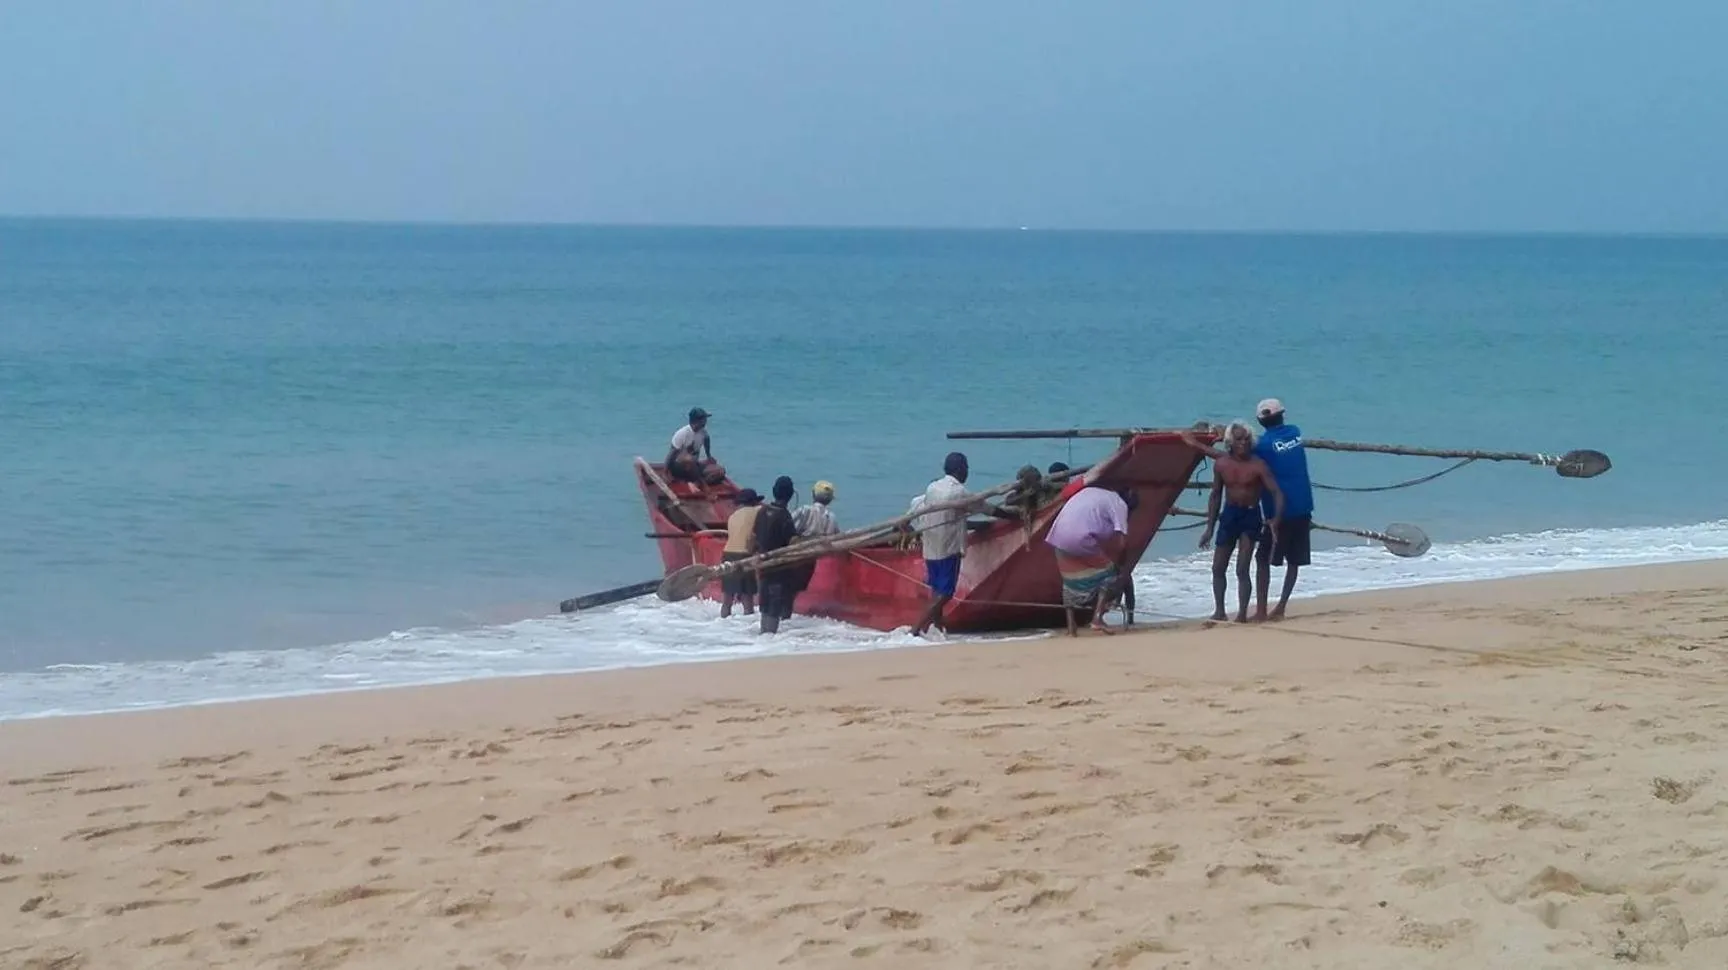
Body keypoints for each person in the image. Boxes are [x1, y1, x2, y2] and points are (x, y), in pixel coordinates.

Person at [1185, 421, 1283, 623]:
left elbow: (1276, 492)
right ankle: (1219, 611)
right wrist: (1209, 528)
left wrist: (1276, 519)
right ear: (1230, 442)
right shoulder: (1222, 463)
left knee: (1242, 568)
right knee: (1218, 567)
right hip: (1229, 515)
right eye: (1239, 439)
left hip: (1250, 515)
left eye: (1247, 438)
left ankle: (1242, 614)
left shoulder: (1258, 465)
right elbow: (1215, 495)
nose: (1244, 442)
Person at [907, 452, 991, 637]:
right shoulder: (959, 491)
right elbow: (986, 508)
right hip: (948, 548)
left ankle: (938, 629)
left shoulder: (932, 488)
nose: (967, 472)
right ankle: (915, 629)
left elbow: (947, 516)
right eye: (966, 468)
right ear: (960, 470)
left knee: (936, 590)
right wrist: (1010, 516)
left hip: (930, 547)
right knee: (946, 593)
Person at [1043, 482, 1136, 636]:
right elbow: (1122, 543)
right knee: (1111, 575)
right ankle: (1097, 618)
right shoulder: (1120, 504)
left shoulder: (1091, 492)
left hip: (1056, 535)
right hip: (1079, 537)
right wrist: (1121, 565)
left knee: (1070, 577)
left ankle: (1071, 628)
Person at [1252, 398, 1315, 621]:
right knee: (1294, 560)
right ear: (1282, 415)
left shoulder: (1262, 445)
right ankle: (1281, 606)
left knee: (1262, 559)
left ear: (1260, 420)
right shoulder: (1295, 433)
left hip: (1278, 512)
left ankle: (1261, 610)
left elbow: (1240, 453)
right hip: (1303, 504)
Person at [751, 476, 799, 634]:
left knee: (765, 607)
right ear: (791, 495)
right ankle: (769, 643)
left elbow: (754, 538)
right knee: (774, 608)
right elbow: (793, 542)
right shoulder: (784, 516)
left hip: (763, 568)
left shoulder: (762, 511)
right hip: (778, 569)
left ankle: (763, 641)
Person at [785, 480, 839, 606]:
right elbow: (835, 538)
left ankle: (782, 617)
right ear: (830, 500)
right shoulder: (831, 517)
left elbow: (788, 527)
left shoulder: (804, 510)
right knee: (795, 590)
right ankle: (786, 616)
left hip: (794, 554)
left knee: (787, 590)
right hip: (811, 559)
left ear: (813, 495)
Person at [719, 489, 762, 618]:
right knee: (747, 598)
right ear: (753, 502)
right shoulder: (757, 511)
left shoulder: (733, 516)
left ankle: (722, 623)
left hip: (727, 554)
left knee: (727, 598)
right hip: (744, 556)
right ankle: (746, 630)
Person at [666, 408, 721, 485]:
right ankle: (697, 481)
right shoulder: (682, 433)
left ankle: (695, 482)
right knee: (689, 459)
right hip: (678, 467)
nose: (705, 422)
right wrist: (666, 473)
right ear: (696, 421)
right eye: (703, 419)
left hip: (694, 466)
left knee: (720, 471)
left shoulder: (703, 433)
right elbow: (671, 454)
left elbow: (707, 440)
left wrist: (709, 456)